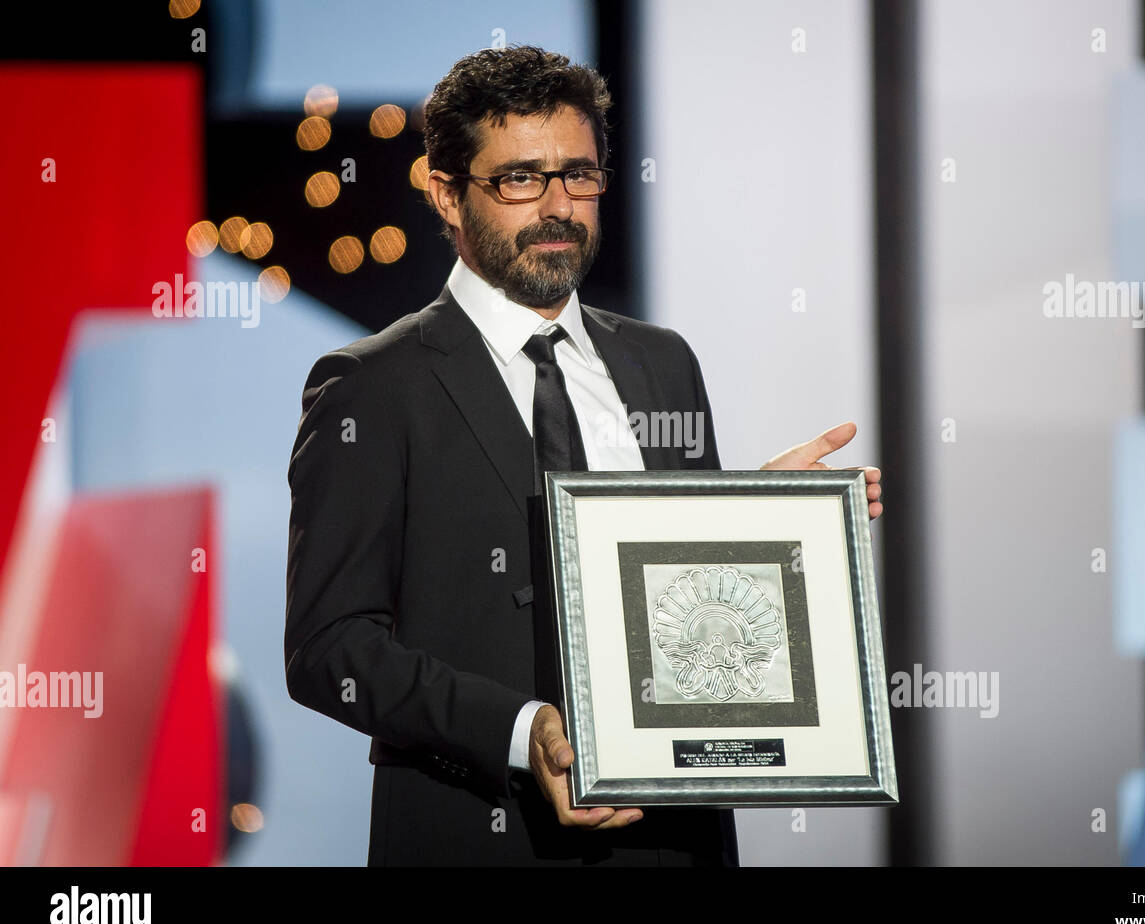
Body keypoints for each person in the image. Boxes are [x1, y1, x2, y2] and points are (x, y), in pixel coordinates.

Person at [284, 44, 883, 866]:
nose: (558, 205)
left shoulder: (661, 362)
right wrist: (521, 731)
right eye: (520, 179)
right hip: (479, 834)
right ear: (446, 193)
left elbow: (685, 612)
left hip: (673, 840)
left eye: (580, 174)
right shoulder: (371, 386)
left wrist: (760, 527)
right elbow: (328, 650)